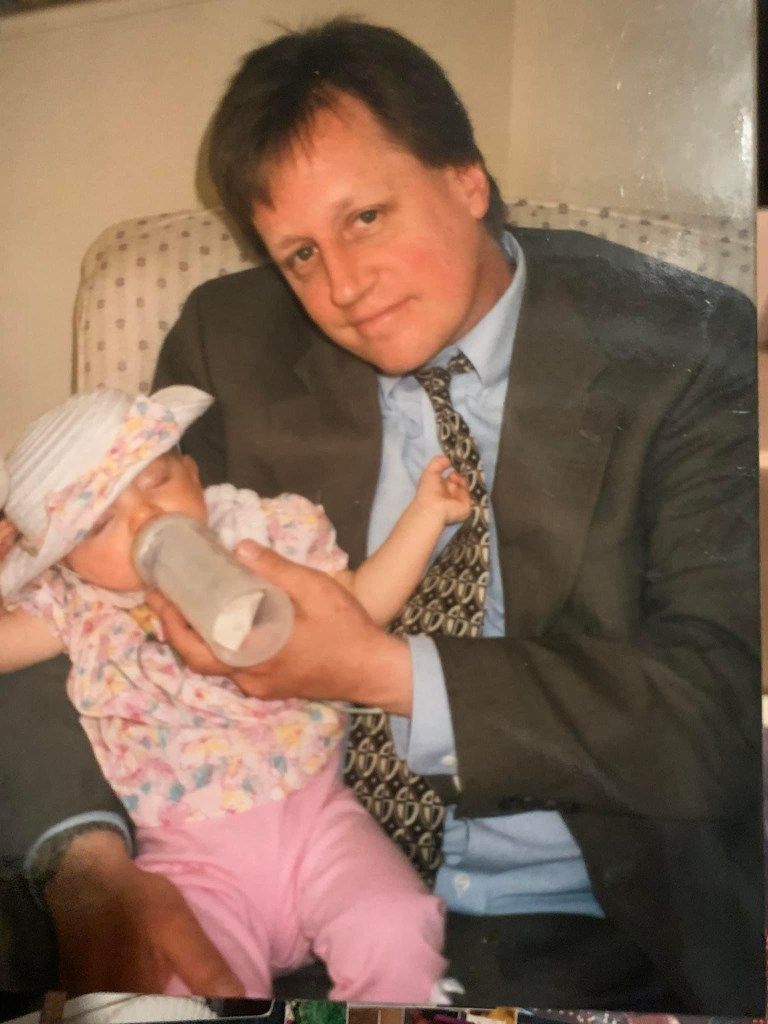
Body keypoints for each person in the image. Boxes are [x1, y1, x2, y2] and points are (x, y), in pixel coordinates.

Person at [0, 17, 762, 1015]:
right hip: (257, 897)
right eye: (299, 253)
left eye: (365, 217)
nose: (343, 288)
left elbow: (714, 706)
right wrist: (86, 865)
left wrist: (376, 669)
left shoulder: (681, 344)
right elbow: (88, 594)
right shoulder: (229, 340)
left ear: (466, 179)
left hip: (597, 921)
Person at [0, 383, 471, 1002]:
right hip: (191, 863)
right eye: (102, 523)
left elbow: (358, 607)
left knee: (395, 926)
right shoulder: (78, 604)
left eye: (157, 481)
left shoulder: (261, 539)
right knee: (176, 985)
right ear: (65, 560)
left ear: (195, 474)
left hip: (320, 823)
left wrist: (426, 516)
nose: (146, 519)